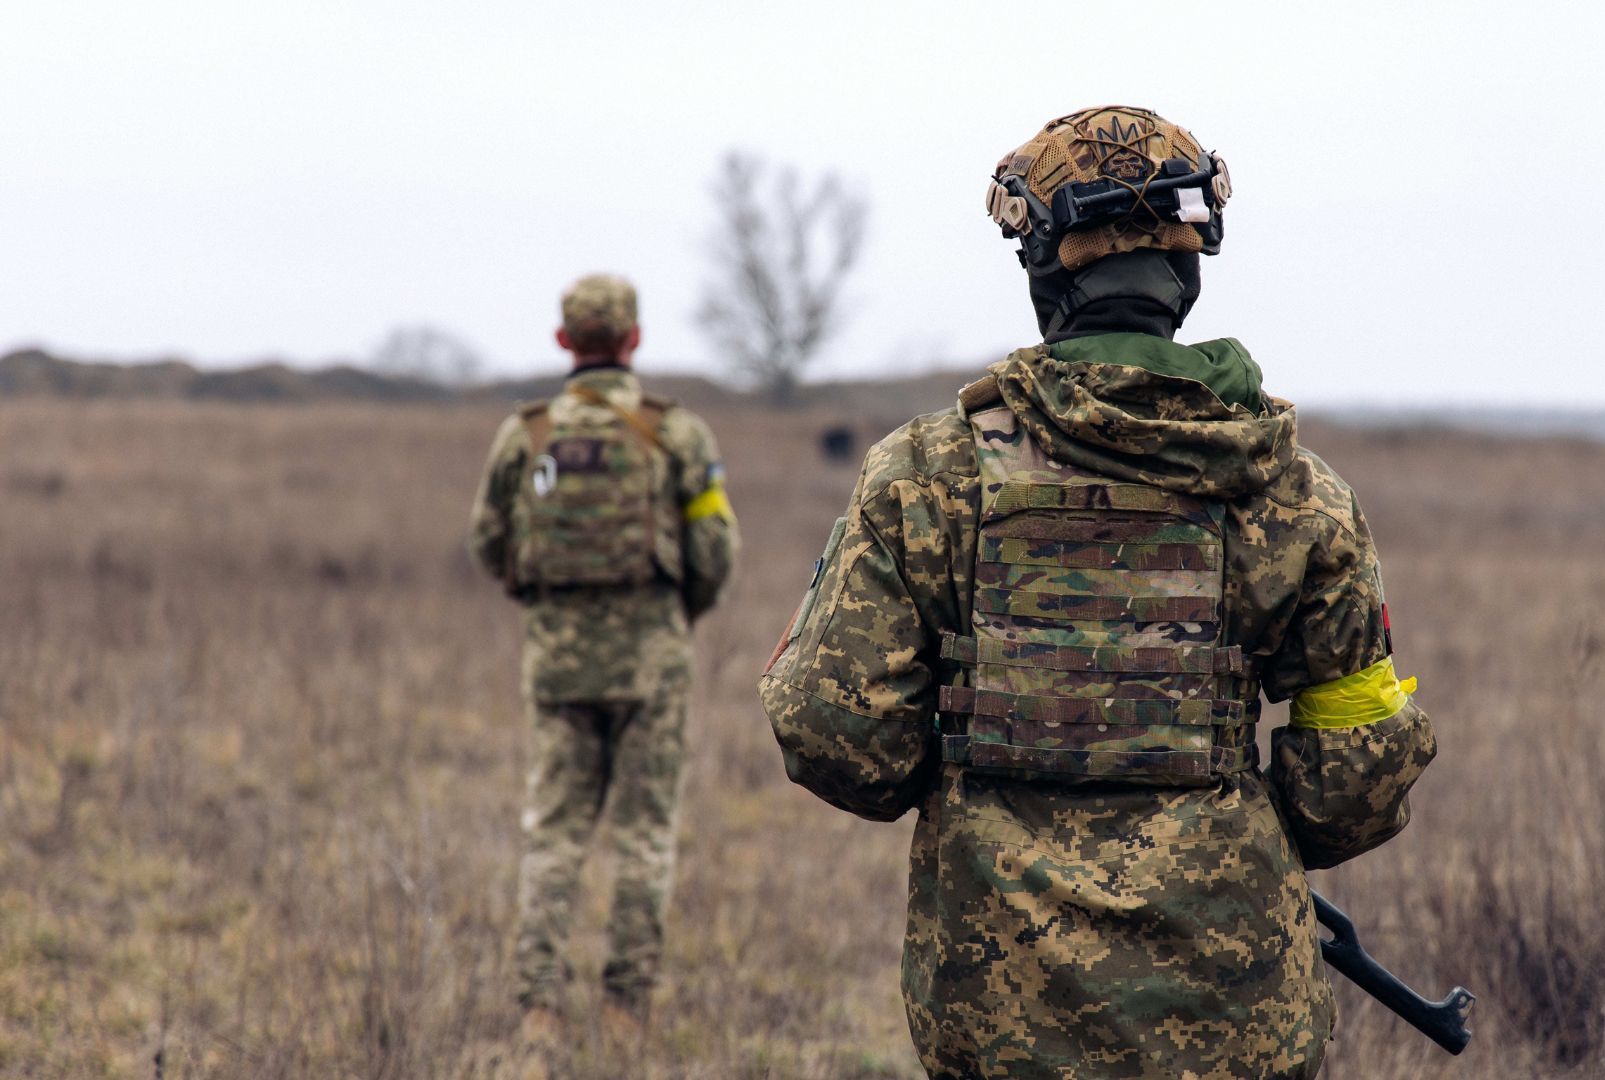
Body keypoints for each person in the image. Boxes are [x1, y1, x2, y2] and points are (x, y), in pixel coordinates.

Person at [760, 107, 1437, 1078]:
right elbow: (1353, 787)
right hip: (1235, 1012)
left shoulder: (927, 473)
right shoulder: (1293, 490)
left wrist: (974, 779)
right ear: (1189, 273)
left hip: (999, 1013)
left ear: (1044, 273)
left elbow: (839, 741)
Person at [467, 273, 738, 1043]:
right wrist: (675, 614)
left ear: (563, 342)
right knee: (644, 838)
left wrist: (546, 604)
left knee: (552, 835)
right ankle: (626, 1011)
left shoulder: (526, 432)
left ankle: (539, 1010)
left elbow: (488, 541)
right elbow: (715, 547)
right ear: (634, 340)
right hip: (653, 664)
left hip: (556, 665)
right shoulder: (675, 432)